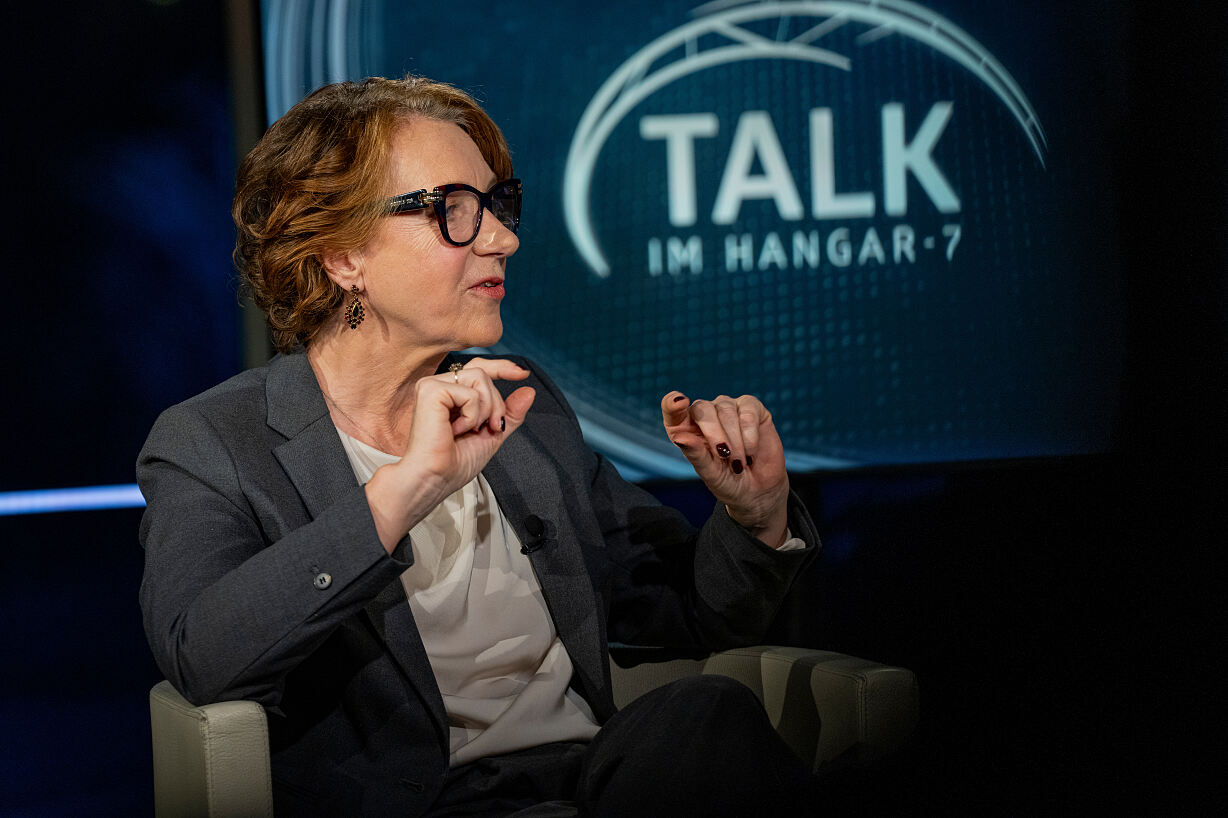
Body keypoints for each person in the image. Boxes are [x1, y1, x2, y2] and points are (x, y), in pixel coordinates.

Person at [138, 75, 820, 816]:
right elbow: (202, 658)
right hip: (429, 802)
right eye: (452, 212)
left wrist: (754, 518)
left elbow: (681, 612)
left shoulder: (524, 404)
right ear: (342, 255)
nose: (503, 238)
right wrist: (404, 491)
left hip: (591, 782)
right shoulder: (216, 443)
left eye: (498, 206)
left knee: (706, 716)